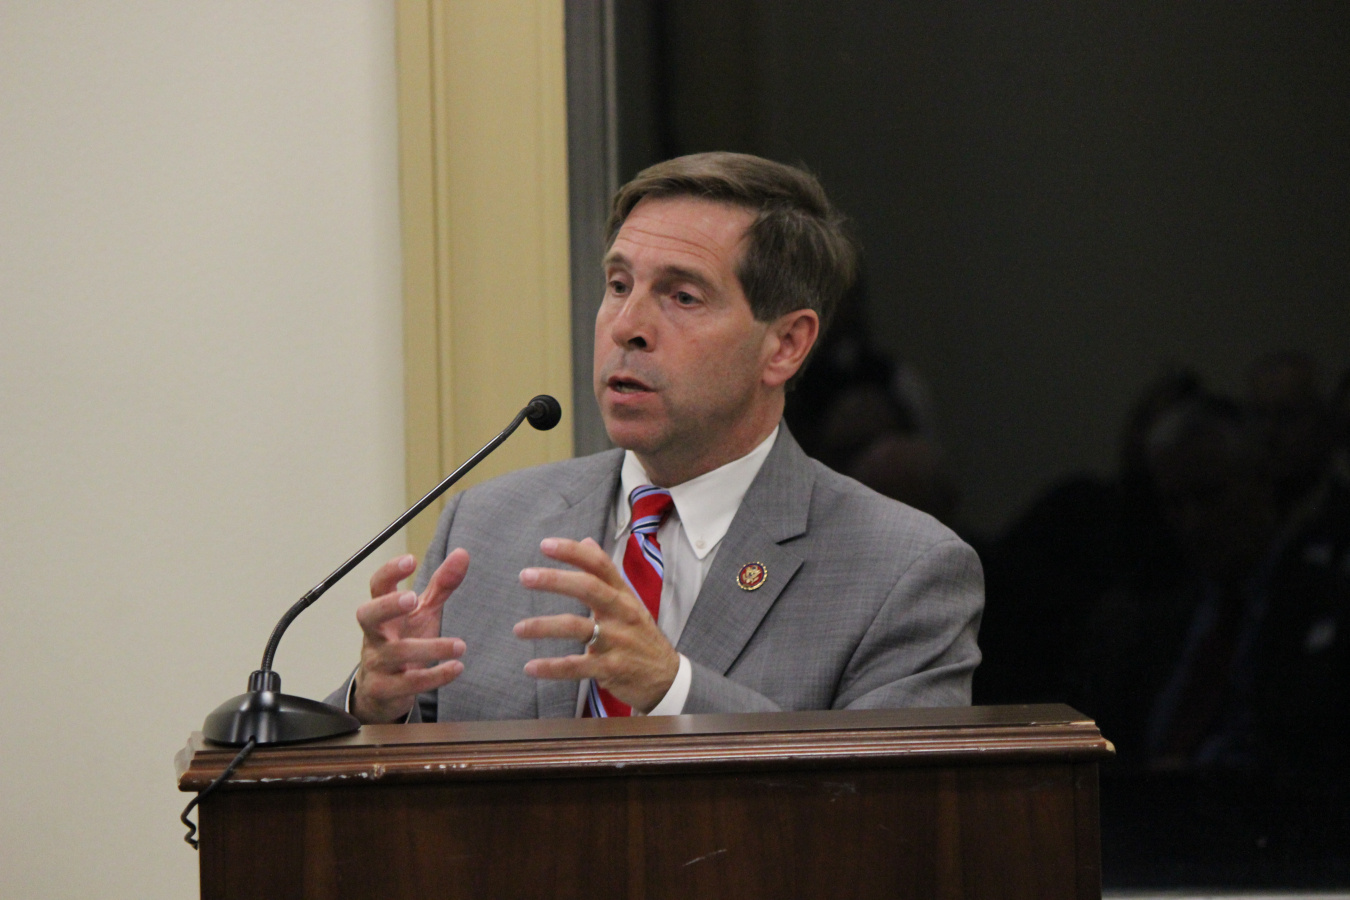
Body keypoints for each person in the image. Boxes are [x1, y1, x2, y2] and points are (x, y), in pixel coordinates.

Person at [332, 152, 984, 725]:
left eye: (682, 296)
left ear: (785, 345)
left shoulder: (903, 571)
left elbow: (892, 816)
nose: (627, 325)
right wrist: (373, 703)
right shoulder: (486, 528)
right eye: (619, 285)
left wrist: (673, 689)